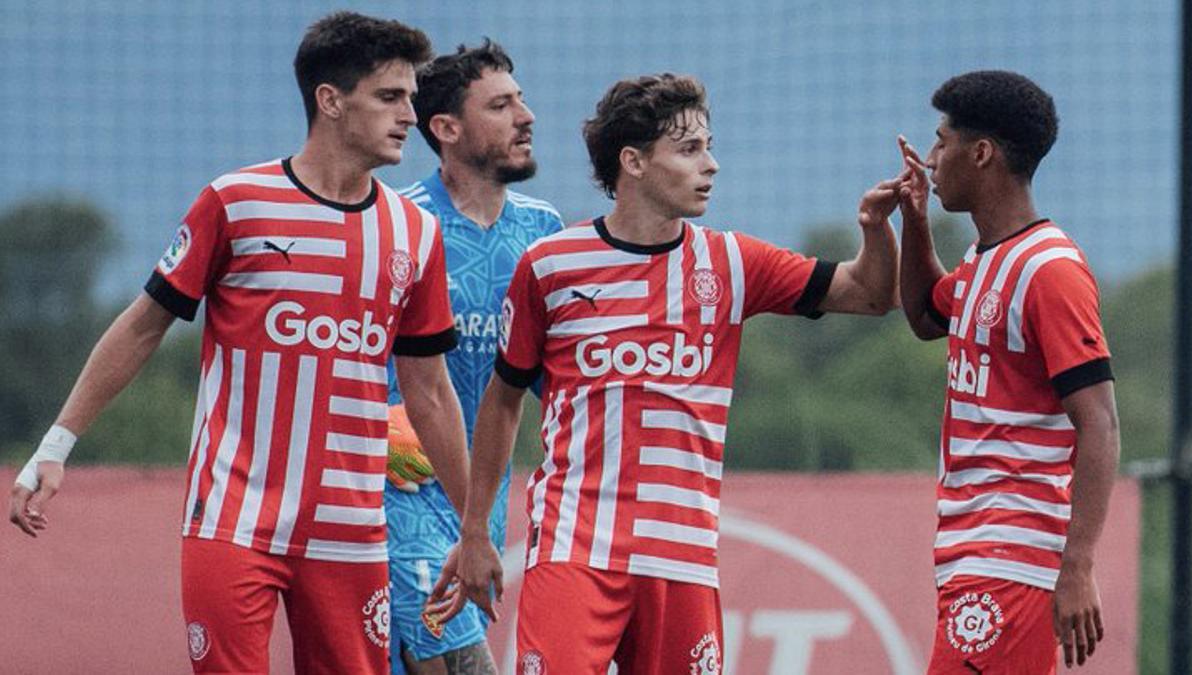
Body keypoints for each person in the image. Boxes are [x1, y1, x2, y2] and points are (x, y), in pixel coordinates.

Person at [8, 12, 471, 674]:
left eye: (412, 97)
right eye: (390, 96)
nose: (410, 114)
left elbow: (429, 390)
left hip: (352, 530)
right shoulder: (237, 203)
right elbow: (143, 324)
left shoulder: (415, 233)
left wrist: (473, 523)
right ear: (331, 100)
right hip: (234, 518)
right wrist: (56, 445)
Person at [430, 72, 901, 673]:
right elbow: (502, 401)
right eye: (689, 149)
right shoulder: (551, 266)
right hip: (575, 546)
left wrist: (876, 227)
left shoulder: (733, 261)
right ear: (634, 162)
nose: (711, 165)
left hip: (683, 556)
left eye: (708, 146)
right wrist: (475, 533)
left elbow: (868, 294)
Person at [893, 70, 1120, 673]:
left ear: (982, 153)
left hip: (1013, 557)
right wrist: (914, 219)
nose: (932, 157)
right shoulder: (980, 261)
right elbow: (922, 314)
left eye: (942, 142)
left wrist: (1077, 565)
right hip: (975, 553)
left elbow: (1099, 424)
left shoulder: (1050, 270)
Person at [381, 40, 563, 674]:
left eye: (522, 99)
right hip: (393, 502)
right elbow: (341, 362)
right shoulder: (400, 223)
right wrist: (374, 426)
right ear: (446, 128)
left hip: (477, 513)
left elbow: (555, 381)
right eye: (502, 104)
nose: (527, 115)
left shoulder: (543, 232)